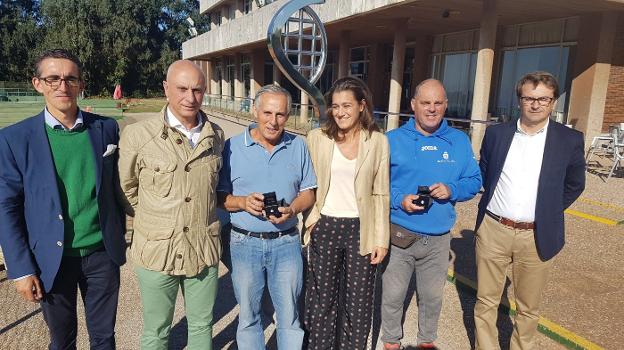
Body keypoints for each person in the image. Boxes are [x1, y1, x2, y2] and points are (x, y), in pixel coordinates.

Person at [0, 48, 127, 349]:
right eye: (53, 78)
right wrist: (21, 268)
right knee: (62, 338)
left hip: (101, 255)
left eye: (71, 78)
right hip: (50, 260)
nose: (62, 86)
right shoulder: (14, 139)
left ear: (81, 85)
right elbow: (6, 206)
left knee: (104, 337)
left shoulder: (105, 128)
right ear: (37, 83)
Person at [473, 71, 585, 350]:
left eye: (543, 99)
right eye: (529, 98)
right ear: (519, 100)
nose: (535, 105)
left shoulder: (569, 140)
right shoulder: (496, 134)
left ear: (553, 102)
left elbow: (575, 184)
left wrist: (549, 211)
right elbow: (485, 174)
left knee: (528, 308)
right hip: (494, 229)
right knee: (486, 300)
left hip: (535, 235)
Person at [118, 60, 225, 350]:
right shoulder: (139, 136)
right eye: (182, 88)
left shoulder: (216, 136)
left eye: (197, 90)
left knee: (202, 326)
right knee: (156, 330)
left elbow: (214, 190)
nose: (190, 97)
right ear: (166, 88)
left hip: (202, 248)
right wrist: (157, 220)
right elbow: (127, 189)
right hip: (157, 250)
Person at [381, 79, 482, 350]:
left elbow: (474, 180)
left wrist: (452, 189)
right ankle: (391, 341)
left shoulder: (459, 141)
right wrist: (399, 200)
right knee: (392, 295)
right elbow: (374, 185)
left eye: (438, 103)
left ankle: (427, 341)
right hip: (399, 234)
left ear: (446, 105)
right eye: (425, 102)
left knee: (432, 298)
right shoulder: (391, 140)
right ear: (413, 105)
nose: (432, 109)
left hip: (438, 239)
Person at [217, 84, 316, 349]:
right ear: (255, 110)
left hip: (286, 243)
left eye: (281, 114)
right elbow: (220, 198)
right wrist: (242, 202)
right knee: (249, 317)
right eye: (268, 113)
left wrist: (292, 209)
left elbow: (309, 192)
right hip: (244, 243)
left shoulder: (298, 145)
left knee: (290, 317)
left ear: (288, 114)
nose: (274, 121)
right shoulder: (232, 147)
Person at [303, 76, 389, 349]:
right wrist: (311, 221)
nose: (340, 112)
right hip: (325, 225)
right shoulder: (317, 138)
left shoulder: (377, 141)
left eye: (347, 106)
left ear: (362, 106)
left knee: (358, 303)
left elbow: (380, 192)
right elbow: (306, 183)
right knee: (321, 300)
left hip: (360, 229)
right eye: (335, 106)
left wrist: (380, 239)